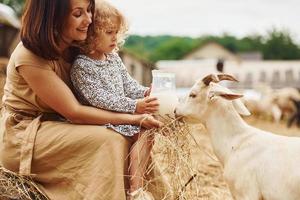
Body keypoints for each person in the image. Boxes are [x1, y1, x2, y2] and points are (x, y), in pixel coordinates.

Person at [0, 0, 169, 199]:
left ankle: (142, 193)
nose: (89, 20)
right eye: (78, 13)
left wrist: (146, 96)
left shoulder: (77, 48)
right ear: (53, 17)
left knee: (128, 136)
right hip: (27, 135)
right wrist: (134, 116)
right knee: (110, 139)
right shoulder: (29, 56)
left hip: (62, 125)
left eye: (89, 10)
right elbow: (75, 112)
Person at [70, 1, 158, 199]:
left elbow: (128, 86)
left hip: (122, 117)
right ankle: (134, 190)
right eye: (109, 32)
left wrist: (147, 93)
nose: (115, 38)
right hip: (103, 120)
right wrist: (135, 106)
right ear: (92, 33)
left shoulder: (113, 58)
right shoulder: (81, 66)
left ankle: (137, 187)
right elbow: (100, 99)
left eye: (117, 32)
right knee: (141, 129)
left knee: (148, 132)